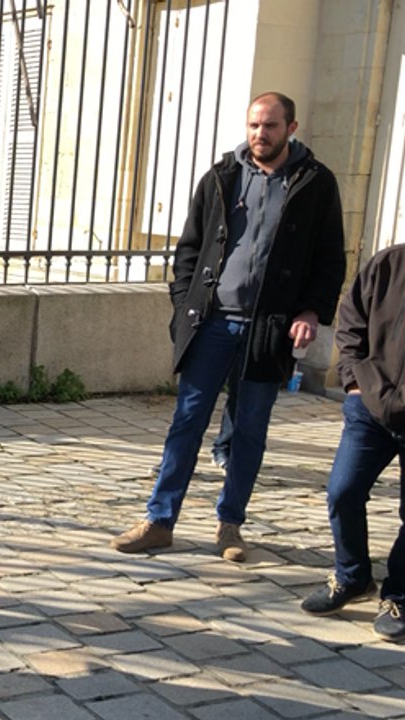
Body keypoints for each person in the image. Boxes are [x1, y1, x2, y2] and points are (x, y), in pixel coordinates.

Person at [112, 91, 345, 563]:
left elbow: (329, 259)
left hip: (268, 330)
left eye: (271, 126)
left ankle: (230, 526)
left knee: (249, 430)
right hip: (212, 324)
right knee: (186, 423)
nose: (260, 134)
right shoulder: (222, 176)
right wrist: (183, 305)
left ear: (292, 128)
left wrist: (309, 313)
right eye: (254, 125)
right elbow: (189, 249)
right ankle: (159, 521)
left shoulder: (316, 183)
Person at [298, 244, 405, 641]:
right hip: (370, 407)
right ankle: (352, 576)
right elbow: (351, 320)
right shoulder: (388, 263)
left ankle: (400, 595)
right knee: (342, 492)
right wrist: (352, 380)